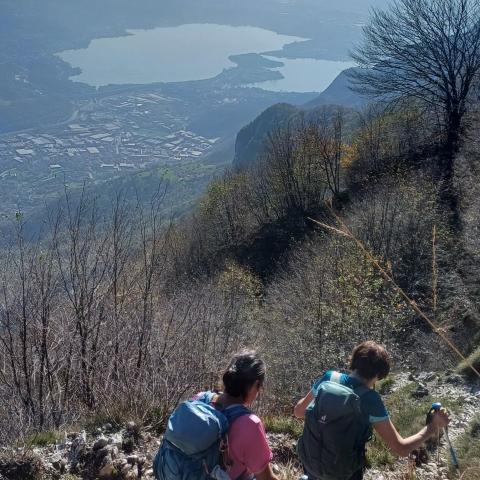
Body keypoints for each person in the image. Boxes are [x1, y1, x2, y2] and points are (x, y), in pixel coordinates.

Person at [294, 341, 450, 480]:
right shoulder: (370, 399)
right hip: (344, 474)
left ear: (353, 361)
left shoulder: (329, 378)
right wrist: (432, 427)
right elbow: (401, 448)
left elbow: (298, 412)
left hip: (310, 463)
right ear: (378, 375)